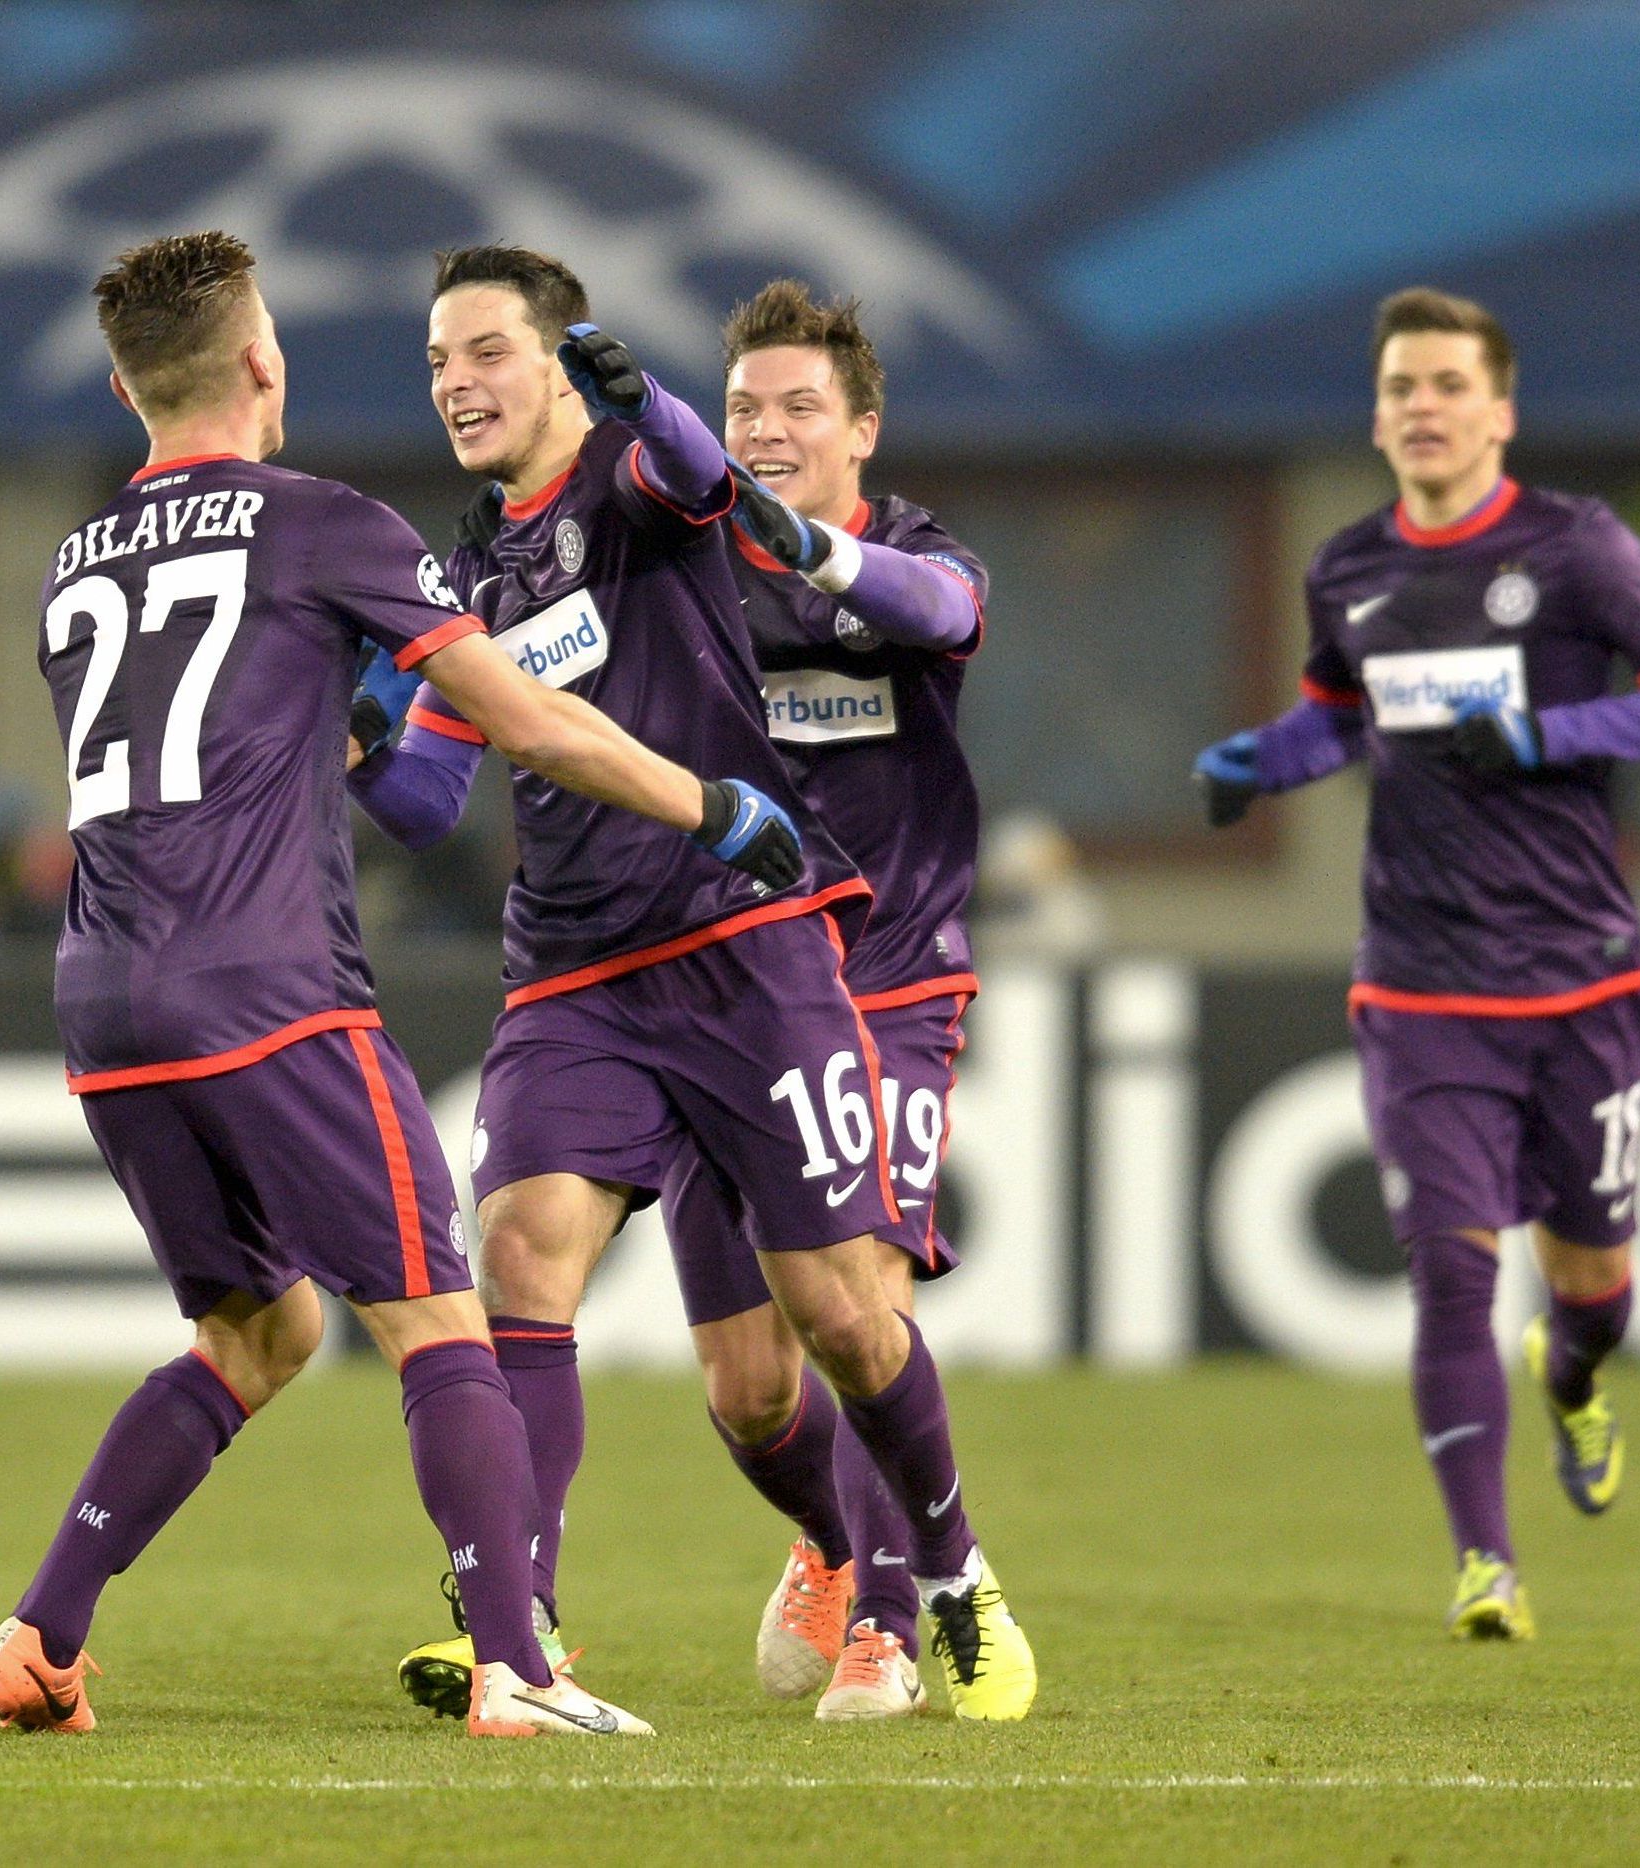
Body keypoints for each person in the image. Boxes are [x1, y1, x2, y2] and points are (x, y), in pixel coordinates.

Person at [0, 230, 800, 1741]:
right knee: (439, 1325)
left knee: (259, 1335)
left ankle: (38, 1637)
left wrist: (348, 722)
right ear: (262, 364)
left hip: (104, 1004)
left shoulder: (74, 558)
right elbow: (524, 721)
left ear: (121, 386)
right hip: (271, 990)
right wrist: (710, 805)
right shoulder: (321, 521)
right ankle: (517, 1674)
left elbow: (295, 751)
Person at [352, 246, 1035, 1722]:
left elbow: (706, 484)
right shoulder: (467, 573)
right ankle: (514, 1627)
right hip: (578, 972)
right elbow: (421, 799)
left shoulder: (644, 489)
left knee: (843, 1321)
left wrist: (653, 402)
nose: (456, 384)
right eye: (435, 363)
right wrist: (359, 730)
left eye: (484, 352)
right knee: (525, 1255)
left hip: (756, 953)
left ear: (557, 362)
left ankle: (938, 1571)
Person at [1193, 287, 1640, 1640]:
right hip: (1420, 984)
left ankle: (1571, 1372)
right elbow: (1339, 718)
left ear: (1497, 411)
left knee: (1593, 1288)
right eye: (1399, 388)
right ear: (1376, 417)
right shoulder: (1349, 570)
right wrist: (1257, 762)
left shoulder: (1575, 548)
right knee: (1448, 1271)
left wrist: (1554, 736)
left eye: (1446, 384)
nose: (1421, 408)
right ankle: (1484, 1565)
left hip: (1580, 979)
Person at [663, 279, 994, 1721]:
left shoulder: (914, 556)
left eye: (800, 405)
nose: (769, 428)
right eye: (743, 409)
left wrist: (811, 552)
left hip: (889, 985)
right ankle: (830, 1538)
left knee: (854, 1304)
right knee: (747, 1386)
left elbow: (941, 609)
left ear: (862, 426)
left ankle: (890, 1610)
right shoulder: (684, 571)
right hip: (722, 992)